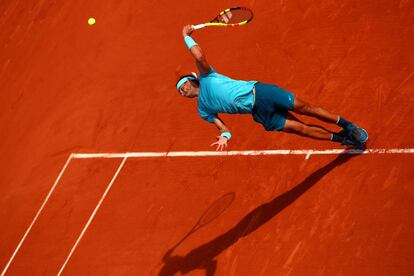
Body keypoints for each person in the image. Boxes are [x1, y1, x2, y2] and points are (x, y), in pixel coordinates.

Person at [176, 25, 368, 151]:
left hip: (261, 92)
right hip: (258, 111)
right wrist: (225, 136)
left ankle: (348, 125)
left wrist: (186, 36)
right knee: (299, 128)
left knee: (306, 108)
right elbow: (221, 126)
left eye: (182, 85)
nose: (182, 90)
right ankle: (341, 138)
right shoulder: (203, 109)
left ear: (191, 80)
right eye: (179, 92)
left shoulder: (207, 76)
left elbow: (199, 57)